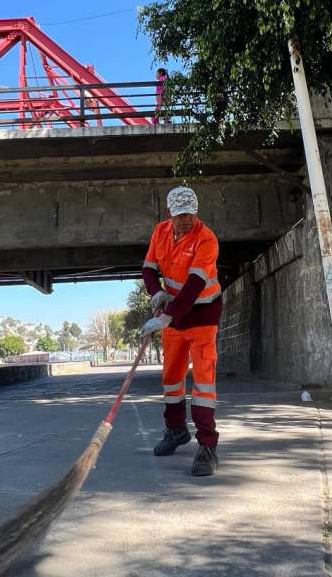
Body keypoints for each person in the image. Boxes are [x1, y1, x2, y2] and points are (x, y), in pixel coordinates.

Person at [140, 186, 222, 476]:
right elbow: (149, 269)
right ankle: (176, 431)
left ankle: (208, 446)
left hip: (202, 312)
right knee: (172, 378)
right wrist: (156, 293)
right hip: (173, 312)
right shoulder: (160, 232)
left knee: (203, 383)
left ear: (196, 211)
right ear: (170, 215)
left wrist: (166, 318)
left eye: (190, 213)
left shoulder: (207, 239)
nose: (185, 220)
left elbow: (194, 286)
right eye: (179, 215)